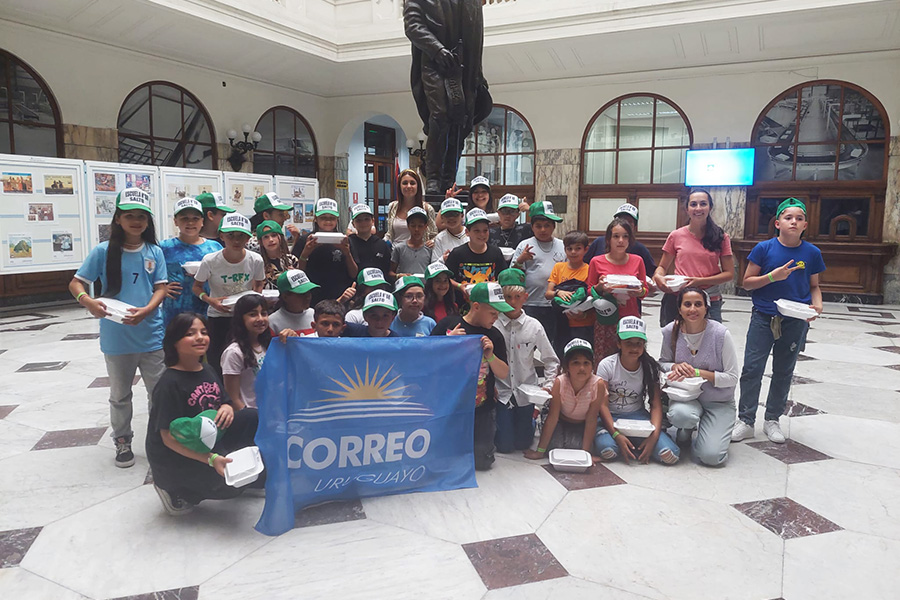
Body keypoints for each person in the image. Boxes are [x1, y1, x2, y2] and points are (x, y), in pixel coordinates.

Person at [70, 189, 168, 468]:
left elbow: (160, 287)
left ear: (148, 221)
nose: (135, 221)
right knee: (120, 394)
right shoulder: (102, 251)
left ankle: (158, 439)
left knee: (157, 393)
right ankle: (122, 439)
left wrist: (148, 310)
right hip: (117, 338)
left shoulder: (154, 252)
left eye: (141, 216)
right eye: (129, 216)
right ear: (117, 219)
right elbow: (76, 282)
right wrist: (87, 301)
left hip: (151, 335)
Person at [146, 313, 261, 515]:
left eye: (204, 332)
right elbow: (168, 438)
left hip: (208, 438)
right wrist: (211, 459)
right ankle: (176, 490)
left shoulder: (206, 369)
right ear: (174, 342)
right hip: (176, 456)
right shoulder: (169, 384)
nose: (200, 337)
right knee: (230, 485)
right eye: (190, 334)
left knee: (252, 417)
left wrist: (226, 407)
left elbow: (224, 401)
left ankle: (226, 469)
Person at [732, 197, 824, 444]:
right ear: (778, 223)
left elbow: (814, 286)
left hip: (795, 320)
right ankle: (746, 419)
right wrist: (772, 277)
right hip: (764, 316)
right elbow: (747, 283)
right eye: (788, 217)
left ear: (805, 225)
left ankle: (772, 419)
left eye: (799, 218)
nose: (794, 222)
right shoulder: (764, 249)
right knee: (752, 368)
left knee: (783, 370)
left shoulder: (812, 253)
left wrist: (818, 304)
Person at [404, 0, 490, 195]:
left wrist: (478, 74)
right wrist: (437, 50)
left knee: (462, 123)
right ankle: (434, 178)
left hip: (466, 68)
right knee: (440, 116)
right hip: (436, 64)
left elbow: (476, 42)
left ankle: (449, 179)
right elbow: (412, 25)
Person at [431, 282, 510, 470]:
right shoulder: (449, 324)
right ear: (476, 307)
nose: (496, 317)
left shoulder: (495, 335)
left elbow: (504, 373)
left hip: (482, 408)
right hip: (450, 407)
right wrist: (447, 343)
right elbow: (429, 360)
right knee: (445, 460)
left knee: (482, 463)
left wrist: (490, 356)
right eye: (492, 312)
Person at [660, 287, 738, 466]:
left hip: (718, 401)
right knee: (681, 415)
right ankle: (686, 428)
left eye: (698, 304)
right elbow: (662, 363)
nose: (693, 309)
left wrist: (698, 373)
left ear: (706, 308)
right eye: (687, 304)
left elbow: (732, 377)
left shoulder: (720, 334)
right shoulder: (670, 331)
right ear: (679, 309)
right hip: (686, 398)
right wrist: (675, 366)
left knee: (711, 457)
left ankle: (712, 430)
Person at [593, 317, 680, 465]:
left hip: (637, 417)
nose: (634, 348)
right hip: (610, 417)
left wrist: (653, 436)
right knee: (607, 449)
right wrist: (616, 434)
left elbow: (655, 404)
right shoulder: (607, 365)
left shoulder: (650, 366)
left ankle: (637, 443)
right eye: (628, 343)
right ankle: (622, 440)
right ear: (619, 343)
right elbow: (602, 405)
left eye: (638, 344)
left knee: (669, 453)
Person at [494, 268, 559, 454]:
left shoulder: (534, 326)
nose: (512, 302)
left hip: (526, 392)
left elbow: (551, 360)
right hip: (502, 392)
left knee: (523, 443)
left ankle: (531, 418)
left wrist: (547, 387)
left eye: (517, 296)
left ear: (525, 297)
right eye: (507, 297)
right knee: (504, 446)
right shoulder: (494, 324)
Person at [192, 213, 266, 376]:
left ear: (248, 238)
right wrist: (211, 300)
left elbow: (260, 282)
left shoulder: (255, 260)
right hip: (218, 316)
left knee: (246, 361)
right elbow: (197, 287)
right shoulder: (210, 260)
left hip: (244, 318)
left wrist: (253, 302)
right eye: (231, 235)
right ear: (222, 236)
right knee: (217, 363)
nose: (236, 240)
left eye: (241, 236)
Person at [652, 190, 734, 327]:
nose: (698, 208)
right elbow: (662, 267)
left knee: (710, 342)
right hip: (679, 299)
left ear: (710, 207)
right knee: (675, 342)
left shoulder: (721, 237)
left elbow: (729, 273)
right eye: (693, 204)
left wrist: (700, 281)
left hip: (708, 299)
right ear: (687, 209)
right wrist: (659, 276)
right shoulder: (676, 235)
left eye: (703, 204)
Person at [524, 338, 602, 460]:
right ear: (567, 367)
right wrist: (539, 451)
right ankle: (537, 419)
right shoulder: (560, 382)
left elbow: (592, 419)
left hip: (581, 423)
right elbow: (553, 417)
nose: (582, 368)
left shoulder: (598, 384)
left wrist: (585, 455)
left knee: (576, 447)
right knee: (554, 447)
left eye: (586, 363)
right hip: (561, 420)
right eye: (576, 363)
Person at [587, 218, 648, 364]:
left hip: (630, 317)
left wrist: (637, 291)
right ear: (608, 239)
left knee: (630, 356)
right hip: (606, 317)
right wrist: (600, 287)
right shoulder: (597, 261)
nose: (620, 240)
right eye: (616, 236)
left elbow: (644, 291)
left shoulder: (637, 260)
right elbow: (589, 290)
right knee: (604, 357)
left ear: (630, 239)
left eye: (625, 236)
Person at [159, 197, 222, 327]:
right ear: (175, 221)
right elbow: (148, 275)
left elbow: (224, 275)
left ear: (202, 221)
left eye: (195, 218)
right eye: (184, 218)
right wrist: (161, 290)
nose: (190, 223)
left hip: (208, 311)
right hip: (174, 313)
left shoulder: (214, 248)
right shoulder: (164, 247)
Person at [511, 201, 567, 346]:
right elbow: (513, 276)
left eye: (547, 225)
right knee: (528, 342)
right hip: (530, 303)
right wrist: (520, 260)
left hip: (556, 303)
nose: (543, 229)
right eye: (538, 226)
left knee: (552, 342)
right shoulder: (525, 246)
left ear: (553, 226)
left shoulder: (563, 246)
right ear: (532, 227)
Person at [292, 198, 359, 305]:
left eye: (332, 218)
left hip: (340, 296)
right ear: (315, 219)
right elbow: (296, 273)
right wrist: (305, 253)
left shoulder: (345, 240)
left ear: (337, 219)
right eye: (323, 218)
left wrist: (347, 253)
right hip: (311, 296)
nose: (328, 222)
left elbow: (354, 273)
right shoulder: (305, 240)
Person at [546, 230, 594, 358]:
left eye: (578, 248)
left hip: (583, 323)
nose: (573, 252)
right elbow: (548, 293)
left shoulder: (590, 270)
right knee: (562, 356)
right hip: (561, 322)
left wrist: (583, 314)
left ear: (586, 249)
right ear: (565, 249)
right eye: (569, 248)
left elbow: (593, 298)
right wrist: (558, 292)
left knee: (582, 357)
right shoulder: (559, 267)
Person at [221, 294, 271, 410]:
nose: (260, 319)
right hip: (252, 418)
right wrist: (251, 418)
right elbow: (233, 399)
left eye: (263, 313)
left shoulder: (268, 345)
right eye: (253, 314)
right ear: (241, 319)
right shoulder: (234, 353)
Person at [444, 208, 507, 295]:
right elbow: (446, 278)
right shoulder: (457, 253)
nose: (482, 234)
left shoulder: (496, 252)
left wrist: (495, 284)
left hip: (490, 302)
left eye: (485, 230)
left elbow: (504, 277)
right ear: (467, 232)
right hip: (463, 303)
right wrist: (459, 286)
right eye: (476, 231)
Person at [584, 203, 655, 275]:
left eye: (629, 222)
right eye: (622, 220)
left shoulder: (640, 250)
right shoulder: (598, 243)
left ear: (634, 227)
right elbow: (584, 266)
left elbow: (651, 274)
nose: (624, 224)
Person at [384, 169, 437, 244]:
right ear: (399, 186)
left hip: (419, 253)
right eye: (405, 183)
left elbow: (434, 234)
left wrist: (432, 241)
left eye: (412, 183)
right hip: (396, 253)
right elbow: (389, 234)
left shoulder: (427, 209)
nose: (408, 186)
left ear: (418, 186)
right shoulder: (392, 207)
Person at [268, 270, 319, 337]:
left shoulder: (315, 315)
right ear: (285, 297)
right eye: (302, 294)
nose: (308, 297)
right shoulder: (272, 323)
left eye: (309, 292)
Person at [348, 203, 391, 276]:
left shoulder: (382, 244)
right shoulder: (348, 243)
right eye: (359, 220)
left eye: (366, 219)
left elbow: (387, 271)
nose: (363, 223)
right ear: (353, 224)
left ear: (373, 221)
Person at [390, 206, 433, 278]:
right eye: (413, 225)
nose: (416, 229)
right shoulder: (399, 248)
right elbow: (390, 272)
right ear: (408, 226)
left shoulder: (429, 249)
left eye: (420, 226)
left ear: (426, 226)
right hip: (404, 286)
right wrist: (398, 276)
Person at [256, 220, 300, 290]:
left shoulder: (292, 260)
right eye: (266, 237)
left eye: (274, 235)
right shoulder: (257, 263)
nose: (270, 240)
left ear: (280, 237)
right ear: (260, 242)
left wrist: (294, 276)